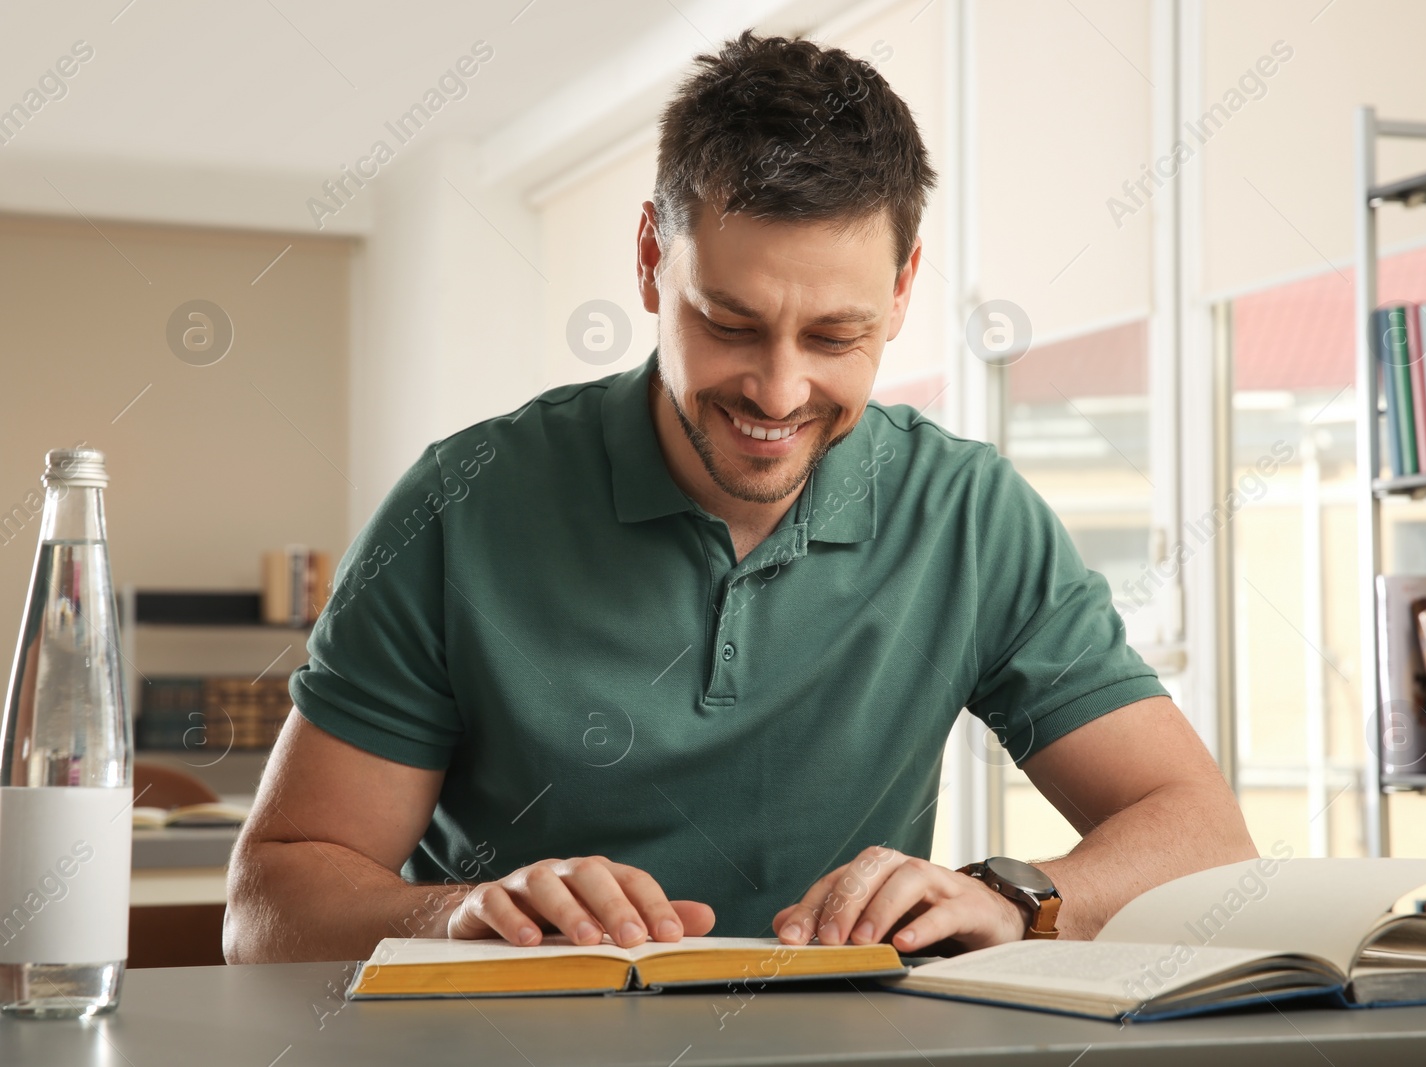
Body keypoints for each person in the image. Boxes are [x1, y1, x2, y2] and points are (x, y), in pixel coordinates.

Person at [224, 30, 1255, 965]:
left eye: (834, 336)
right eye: (729, 321)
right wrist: (456, 913)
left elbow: (1203, 833)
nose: (777, 390)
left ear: (901, 291)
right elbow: (267, 907)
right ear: (647, 259)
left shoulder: (970, 514)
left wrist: (1015, 897)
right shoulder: (462, 502)